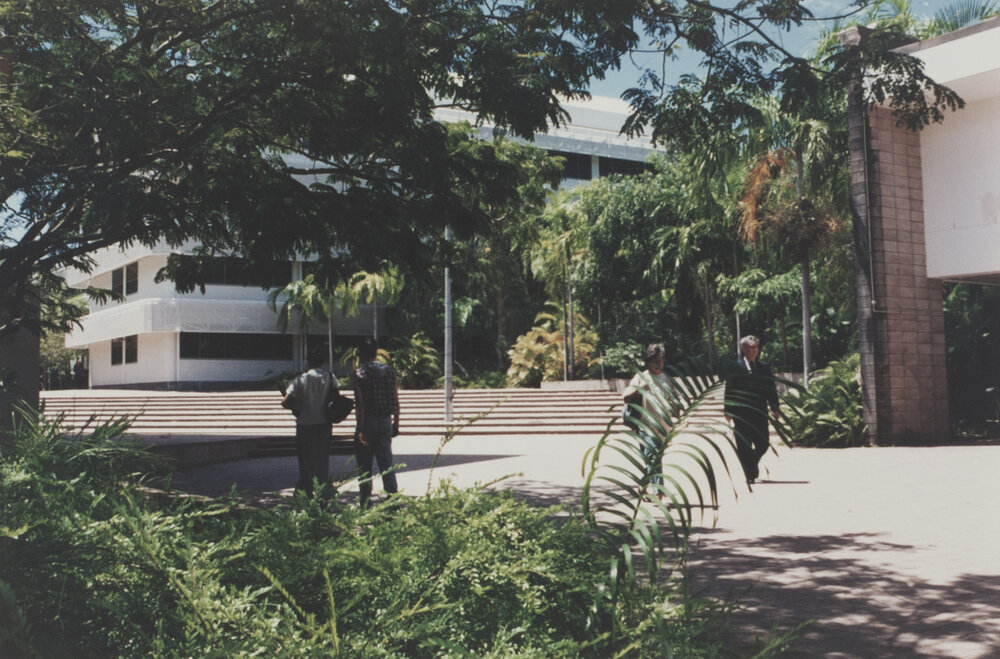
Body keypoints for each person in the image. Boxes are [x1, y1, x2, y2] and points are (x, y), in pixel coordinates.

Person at [724, 335, 781, 485]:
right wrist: (728, 410)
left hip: (759, 412)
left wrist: (775, 407)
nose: (755, 350)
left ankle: (751, 463)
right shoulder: (735, 367)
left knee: (763, 443)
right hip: (741, 414)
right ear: (744, 349)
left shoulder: (764, 367)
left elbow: (771, 389)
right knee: (743, 445)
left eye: (756, 347)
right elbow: (729, 389)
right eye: (752, 347)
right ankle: (750, 475)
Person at [350, 339, 400, 506]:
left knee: (364, 465)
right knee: (386, 463)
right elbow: (396, 399)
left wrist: (361, 429)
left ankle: (365, 501)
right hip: (386, 420)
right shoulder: (390, 372)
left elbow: (361, 405)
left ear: (362, 355)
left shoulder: (358, 375)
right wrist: (396, 423)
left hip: (368, 421)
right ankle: (392, 500)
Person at [283, 349, 337, 496]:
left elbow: (285, 402)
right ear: (322, 362)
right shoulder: (331, 378)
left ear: (308, 361)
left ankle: (307, 491)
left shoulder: (301, 379)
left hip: (305, 424)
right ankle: (323, 491)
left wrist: (299, 406)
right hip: (324, 424)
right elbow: (336, 398)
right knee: (322, 459)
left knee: (305, 460)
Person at [622, 343, 669, 489]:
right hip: (646, 426)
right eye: (654, 361)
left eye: (660, 360)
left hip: (663, 428)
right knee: (655, 458)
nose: (658, 364)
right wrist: (641, 387)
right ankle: (660, 495)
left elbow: (674, 400)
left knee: (652, 459)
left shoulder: (666, 378)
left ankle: (644, 484)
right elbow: (625, 397)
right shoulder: (641, 377)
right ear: (648, 362)